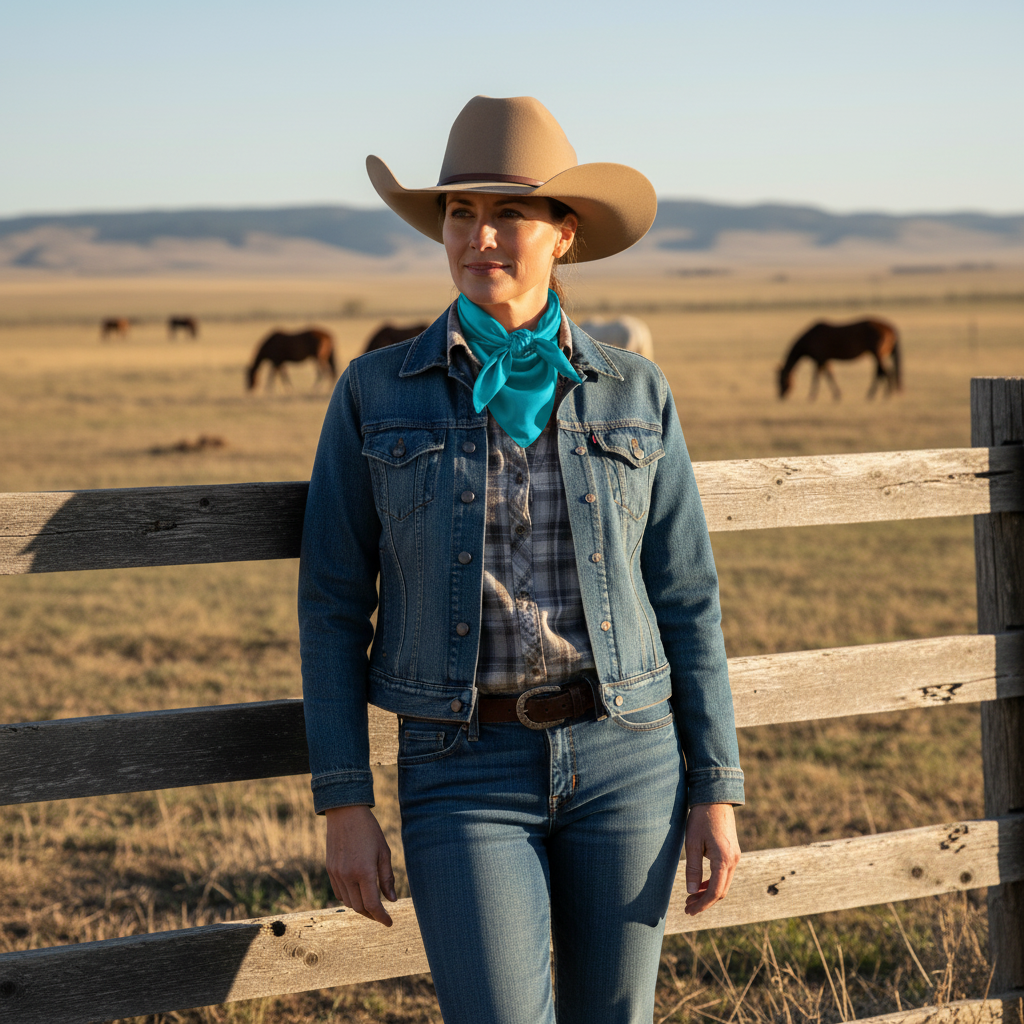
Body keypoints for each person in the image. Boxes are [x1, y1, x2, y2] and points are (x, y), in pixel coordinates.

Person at [298, 95, 744, 1024]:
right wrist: (344, 800)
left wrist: (716, 787)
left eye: (508, 212)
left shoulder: (634, 389)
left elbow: (687, 597)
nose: (479, 235)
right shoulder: (377, 392)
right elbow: (334, 603)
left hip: (628, 755)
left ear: (564, 234)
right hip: (463, 764)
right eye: (459, 211)